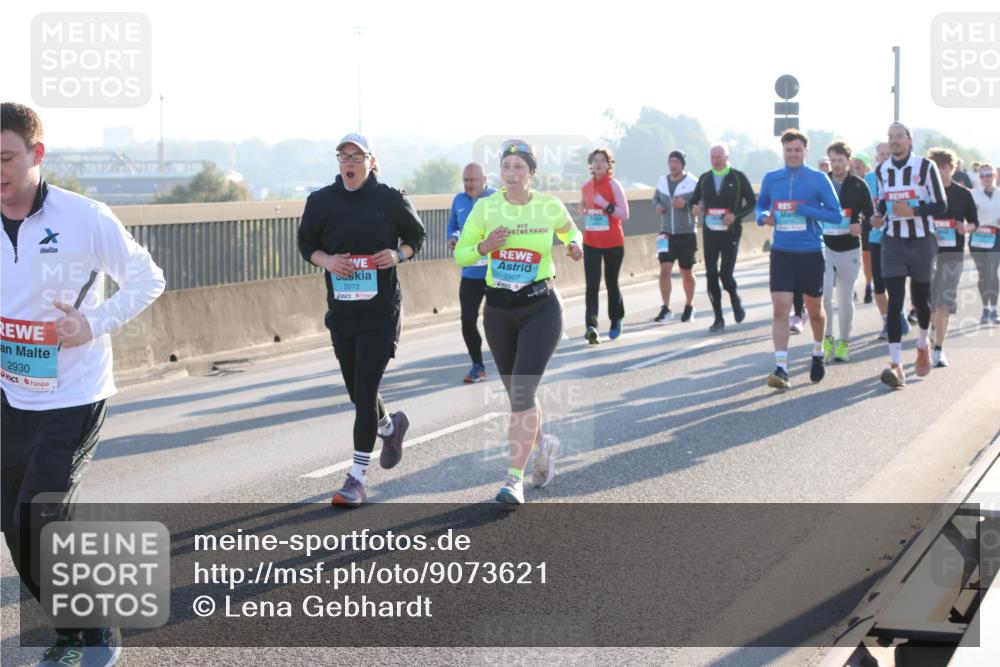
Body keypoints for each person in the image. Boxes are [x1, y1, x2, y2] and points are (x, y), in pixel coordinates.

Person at [1, 102, 166, 666]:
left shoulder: (85, 217)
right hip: (11, 394)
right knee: (15, 530)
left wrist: (91, 324)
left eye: (6, 157)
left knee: (39, 518)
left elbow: (148, 278)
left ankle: (98, 633)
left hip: (73, 396)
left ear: (37, 154)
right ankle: (70, 633)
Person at [298, 132, 426, 506]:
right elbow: (306, 244)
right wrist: (327, 260)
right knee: (358, 393)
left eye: (357, 156)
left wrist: (397, 254)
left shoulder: (391, 199)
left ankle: (356, 478)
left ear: (371, 161)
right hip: (342, 313)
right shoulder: (321, 201)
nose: (350, 163)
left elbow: (416, 236)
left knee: (366, 393)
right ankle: (390, 427)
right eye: (344, 156)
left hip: (381, 312)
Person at [454, 140, 583, 505]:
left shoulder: (548, 205)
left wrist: (575, 245)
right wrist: (485, 246)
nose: (511, 173)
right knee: (518, 395)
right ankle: (543, 445)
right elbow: (461, 254)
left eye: (518, 167)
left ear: (532, 173)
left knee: (522, 391)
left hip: (540, 308)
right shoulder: (486, 207)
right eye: (506, 166)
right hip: (497, 310)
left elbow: (571, 232)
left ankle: (514, 480)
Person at [756, 129, 842, 389]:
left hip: (810, 252)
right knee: (780, 308)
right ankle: (781, 368)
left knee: (815, 311)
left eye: (797, 150)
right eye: (788, 150)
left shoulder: (818, 179)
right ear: (783, 151)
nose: (792, 154)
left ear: (806, 151)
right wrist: (763, 217)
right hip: (782, 252)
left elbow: (835, 214)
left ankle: (817, 352)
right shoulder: (772, 178)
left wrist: (805, 210)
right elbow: (761, 205)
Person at [870, 122, 947, 388]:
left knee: (921, 300)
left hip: (922, 240)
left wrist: (914, 212)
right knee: (895, 301)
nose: (895, 141)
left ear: (909, 140)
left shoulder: (925, 167)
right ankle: (896, 365)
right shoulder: (882, 170)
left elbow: (941, 204)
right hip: (892, 241)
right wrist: (878, 216)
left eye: (899, 137)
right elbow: (883, 202)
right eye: (890, 137)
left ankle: (923, 344)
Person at [690, 143, 756, 332]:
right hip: (710, 233)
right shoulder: (704, 178)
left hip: (731, 233)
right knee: (711, 275)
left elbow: (752, 203)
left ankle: (735, 299)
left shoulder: (738, 177)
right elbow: (693, 202)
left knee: (725, 275)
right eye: (712, 157)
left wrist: (735, 215)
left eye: (719, 157)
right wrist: (694, 208)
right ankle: (718, 318)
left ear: (727, 157)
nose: (716, 160)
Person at [821, 140, 874, 362]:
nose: (836, 164)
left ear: (849, 162)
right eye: (833, 160)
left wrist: (862, 227)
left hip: (849, 248)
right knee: (824, 295)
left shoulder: (859, 186)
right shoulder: (822, 182)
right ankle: (827, 338)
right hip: (825, 247)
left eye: (840, 160)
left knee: (844, 298)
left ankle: (844, 342)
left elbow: (871, 216)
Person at [926, 148, 978, 367]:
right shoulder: (925, 193)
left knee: (944, 300)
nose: (940, 171)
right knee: (929, 300)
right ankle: (932, 328)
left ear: (952, 168)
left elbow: (974, 222)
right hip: (927, 252)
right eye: (936, 168)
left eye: (944, 167)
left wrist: (964, 228)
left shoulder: (963, 194)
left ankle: (938, 350)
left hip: (953, 253)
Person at [448, 163, 497, 382]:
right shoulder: (458, 200)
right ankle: (477, 365)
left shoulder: (496, 198)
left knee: (497, 321)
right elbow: (452, 225)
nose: (468, 184)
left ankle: (512, 360)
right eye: (465, 180)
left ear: (484, 179)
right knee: (467, 319)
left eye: (473, 180)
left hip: (495, 272)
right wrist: (452, 237)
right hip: (470, 273)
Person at [581, 147, 629, 343]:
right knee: (592, 285)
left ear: (609, 165)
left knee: (611, 282)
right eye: (595, 160)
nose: (598, 163)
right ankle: (591, 326)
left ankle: (616, 320)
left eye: (602, 160)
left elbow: (625, 214)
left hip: (613, 242)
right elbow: (584, 209)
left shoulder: (614, 185)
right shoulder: (585, 187)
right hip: (591, 242)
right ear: (591, 165)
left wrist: (605, 205)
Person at [651, 150, 697, 324]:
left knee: (686, 272)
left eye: (676, 161)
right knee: (664, 271)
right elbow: (655, 199)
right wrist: (658, 206)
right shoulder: (662, 181)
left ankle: (689, 306)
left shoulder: (693, 183)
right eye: (670, 161)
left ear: (682, 164)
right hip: (665, 233)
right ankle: (666, 308)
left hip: (686, 233)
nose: (673, 165)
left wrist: (685, 204)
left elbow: (700, 205)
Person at [971, 163, 1000, 324]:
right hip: (978, 236)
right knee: (983, 274)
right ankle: (985, 309)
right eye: (982, 175)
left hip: (996, 235)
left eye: (989, 174)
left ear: (995, 175)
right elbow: (966, 214)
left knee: (992, 272)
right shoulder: (973, 194)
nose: (986, 178)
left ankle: (994, 310)